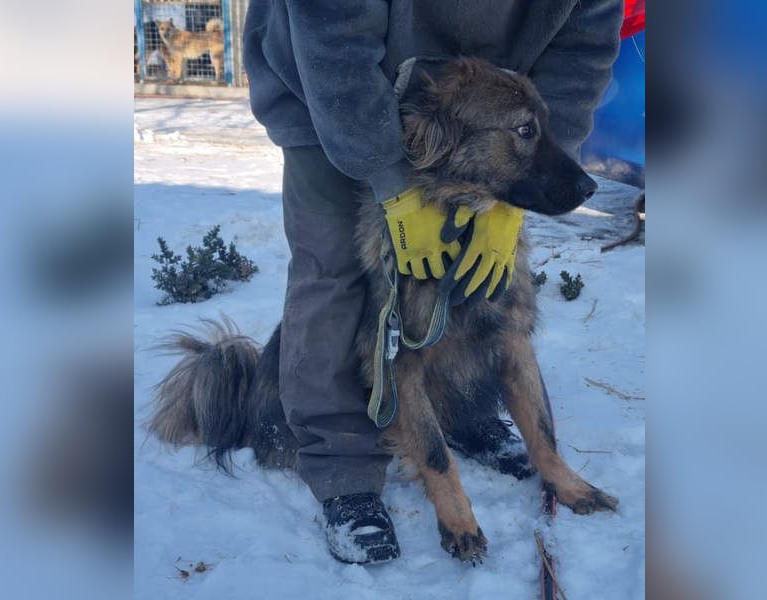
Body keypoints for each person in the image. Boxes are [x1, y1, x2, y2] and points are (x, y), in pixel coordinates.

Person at [242, 0, 622, 564]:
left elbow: (582, 45)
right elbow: (334, 38)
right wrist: (393, 184)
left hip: (482, 104)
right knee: (334, 274)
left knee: (488, 293)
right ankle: (340, 462)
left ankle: (465, 418)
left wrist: (522, 175)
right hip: (326, 85)